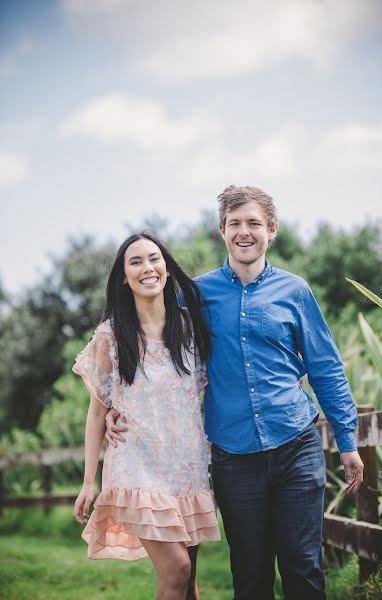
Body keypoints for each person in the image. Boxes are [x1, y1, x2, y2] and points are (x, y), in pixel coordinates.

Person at [106, 186, 364, 600]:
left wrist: (347, 441)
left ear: (271, 230)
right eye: (235, 224)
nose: (245, 232)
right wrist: (114, 408)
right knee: (251, 575)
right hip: (233, 458)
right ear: (222, 230)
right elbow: (154, 349)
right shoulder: (195, 296)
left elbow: (326, 367)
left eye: (254, 224)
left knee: (303, 569)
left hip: (296, 444)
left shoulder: (295, 291)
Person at [72, 232, 220, 600]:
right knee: (177, 570)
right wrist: (89, 480)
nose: (147, 268)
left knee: (190, 581)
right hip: (138, 468)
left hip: (187, 466)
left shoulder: (189, 328)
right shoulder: (112, 335)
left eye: (153, 259)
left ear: (166, 268)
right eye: (135, 262)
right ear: (124, 277)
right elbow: (96, 412)